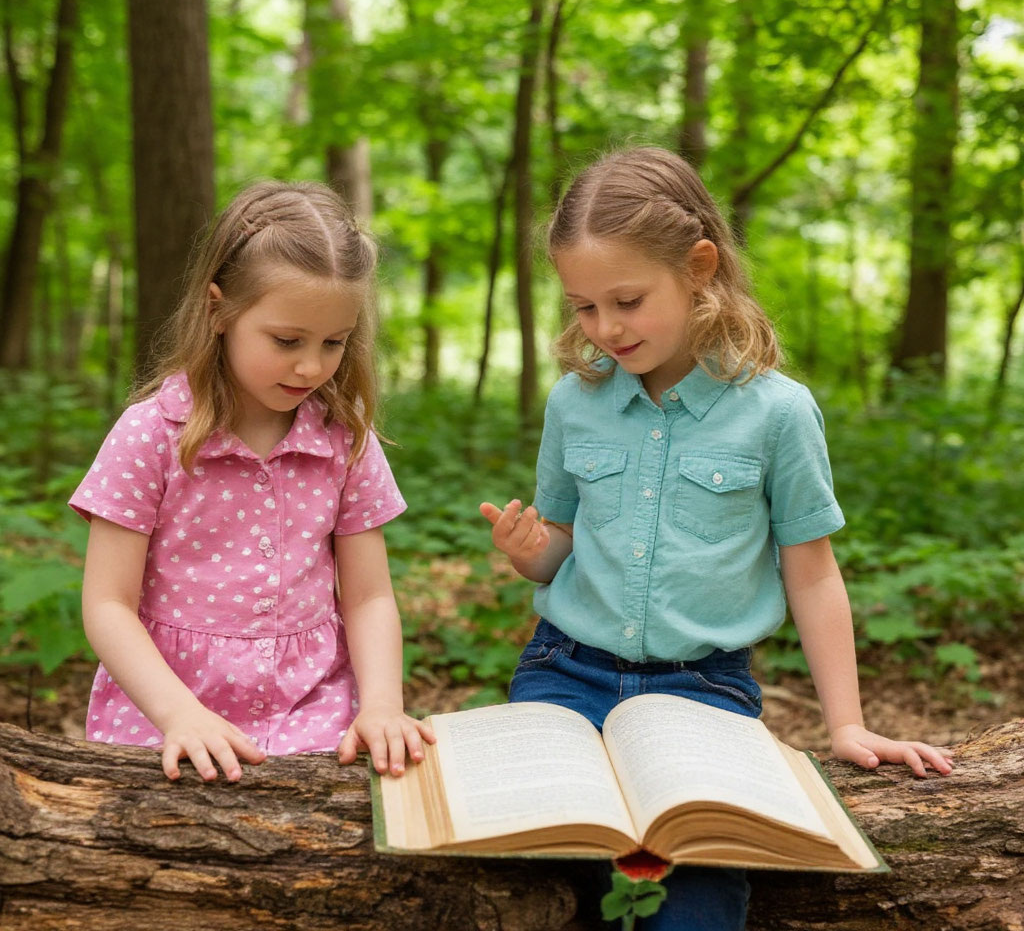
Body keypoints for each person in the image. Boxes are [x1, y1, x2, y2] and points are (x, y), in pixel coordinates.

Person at [480, 147, 952, 930]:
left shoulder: (778, 413)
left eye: (627, 300)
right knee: (547, 876)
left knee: (692, 895)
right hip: (564, 674)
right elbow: (562, 537)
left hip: (702, 691)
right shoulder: (575, 402)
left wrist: (847, 724)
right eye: (584, 306)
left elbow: (812, 573)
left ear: (699, 267)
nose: (605, 327)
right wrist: (535, 553)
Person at [72, 181, 433, 783]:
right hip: (165, 709)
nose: (311, 366)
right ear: (218, 310)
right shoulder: (151, 435)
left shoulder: (345, 441)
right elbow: (108, 604)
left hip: (311, 708)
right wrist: (181, 715)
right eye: (287, 341)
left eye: (334, 343)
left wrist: (382, 706)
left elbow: (369, 597)